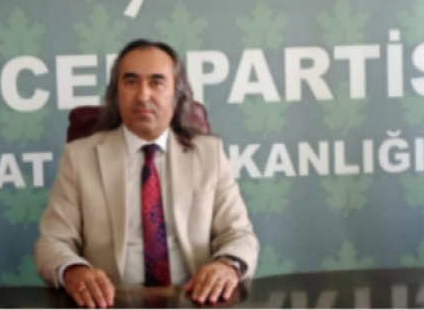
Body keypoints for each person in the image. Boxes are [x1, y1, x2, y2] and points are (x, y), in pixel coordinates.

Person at [34, 39, 260, 308]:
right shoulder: (80, 158)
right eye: (131, 82)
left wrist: (227, 265)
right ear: (116, 94)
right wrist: (74, 271)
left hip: (194, 300)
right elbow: (52, 241)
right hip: (110, 302)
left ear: (177, 94)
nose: (142, 96)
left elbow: (239, 234)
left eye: (156, 82)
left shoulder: (209, 154)